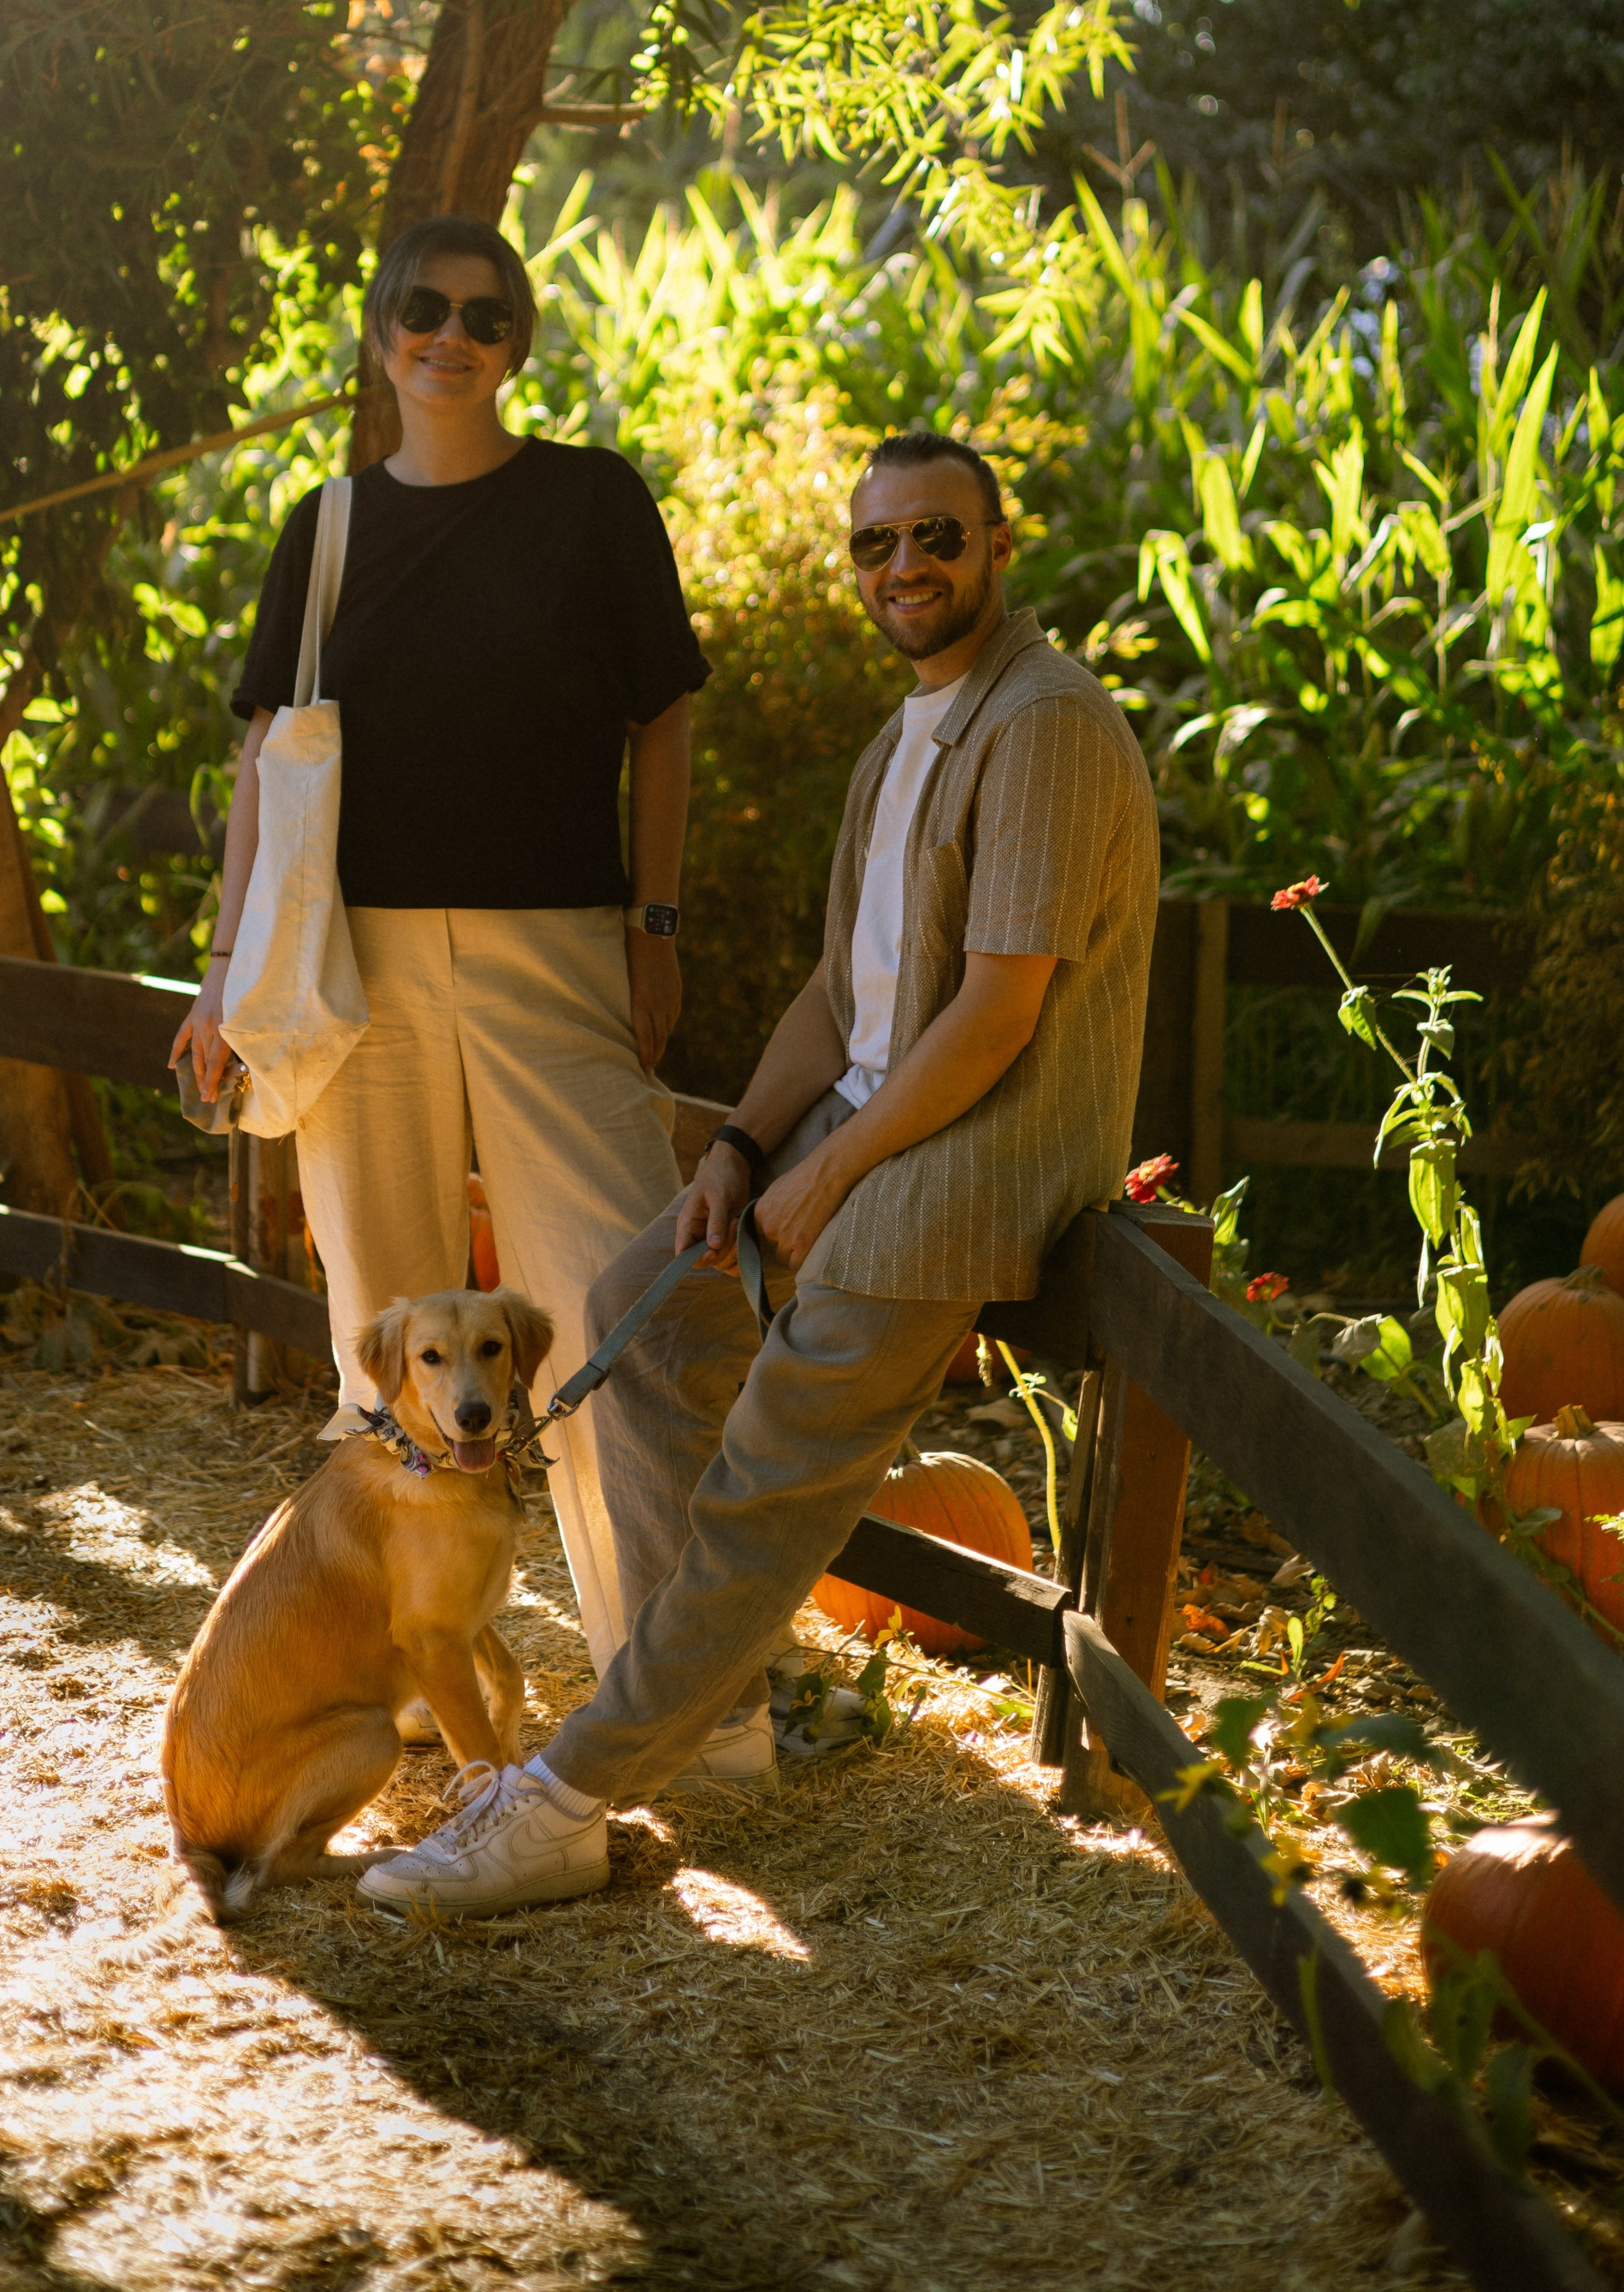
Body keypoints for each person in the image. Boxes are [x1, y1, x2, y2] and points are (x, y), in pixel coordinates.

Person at [357, 428, 1159, 1916]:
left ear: (998, 546)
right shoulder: (901, 740)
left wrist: (838, 1165)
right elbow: (834, 1001)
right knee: (634, 1312)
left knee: (763, 1488)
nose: (904, 566)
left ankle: (565, 1797)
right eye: (877, 545)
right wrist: (736, 1147)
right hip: (852, 1140)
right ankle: (712, 1728)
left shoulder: (1042, 724)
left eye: (935, 536)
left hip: (955, 1174)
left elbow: (998, 1011)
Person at [170, 216, 708, 1674]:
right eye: (423, 307)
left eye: (486, 315)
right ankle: (400, 1676)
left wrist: (655, 923)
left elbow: (662, 719)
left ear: (517, 343)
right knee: (382, 1338)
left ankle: (673, 1709)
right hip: (363, 971)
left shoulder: (595, 504)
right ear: (380, 331)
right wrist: (223, 969)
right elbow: (268, 763)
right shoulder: (327, 527)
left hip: (562, 951)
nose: (452, 335)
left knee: (619, 1318)